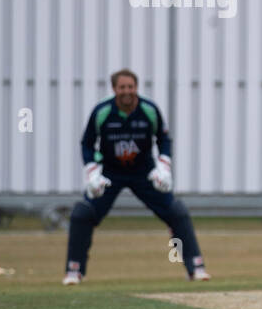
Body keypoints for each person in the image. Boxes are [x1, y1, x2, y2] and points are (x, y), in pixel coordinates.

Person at [63, 69, 209, 284]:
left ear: (136, 88)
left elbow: (164, 140)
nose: (127, 92)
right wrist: (92, 172)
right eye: (122, 87)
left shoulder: (149, 110)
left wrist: (164, 167)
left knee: (176, 212)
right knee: (82, 214)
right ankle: (74, 270)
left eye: (130, 87)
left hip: (144, 172)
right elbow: (86, 143)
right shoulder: (102, 112)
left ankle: (195, 267)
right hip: (110, 173)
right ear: (114, 89)